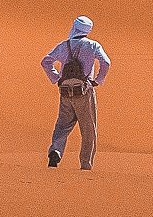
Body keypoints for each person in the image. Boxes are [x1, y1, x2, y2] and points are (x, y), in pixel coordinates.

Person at [41, 15, 110, 170]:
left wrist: (57, 78)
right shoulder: (93, 45)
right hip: (84, 91)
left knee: (62, 126)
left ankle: (56, 150)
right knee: (88, 129)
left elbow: (45, 61)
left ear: (74, 27)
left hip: (65, 91)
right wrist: (98, 80)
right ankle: (85, 164)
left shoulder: (63, 46)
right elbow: (106, 62)